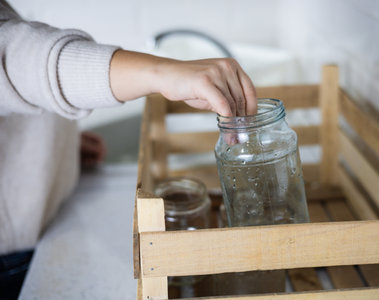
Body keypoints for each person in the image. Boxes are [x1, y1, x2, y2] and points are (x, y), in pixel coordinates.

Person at [0, 1, 257, 299]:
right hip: (15, 257)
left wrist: (54, 146)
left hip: (51, 217)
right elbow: (18, 59)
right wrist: (160, 72)